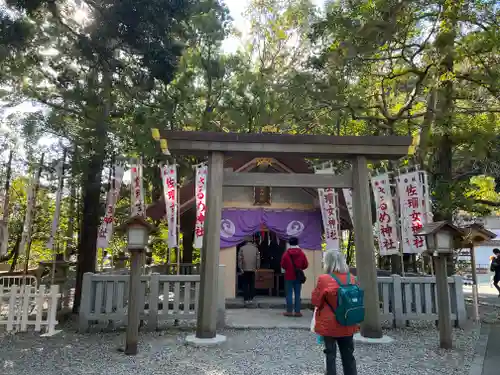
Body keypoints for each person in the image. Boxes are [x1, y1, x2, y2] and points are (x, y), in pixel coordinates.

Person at [312, 250, 358, 375]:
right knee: (348, 355)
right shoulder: (352, 278)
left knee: (330, 355)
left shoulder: (324, 279)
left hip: (329, 324)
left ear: (328, 262)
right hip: (348, 321)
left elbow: (316, 301)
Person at [280, 237, 308, 317]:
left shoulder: (286, 254)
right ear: (297, 243)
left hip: (289, 276)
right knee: (298, 294)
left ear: (289, 243)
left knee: (289, 294)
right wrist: (299, 269)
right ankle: (297, 312)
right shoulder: (301, 253)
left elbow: (282, 265)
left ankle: (289, 311)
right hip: (298, 276)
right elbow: (305, 264)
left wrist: (288, 269)